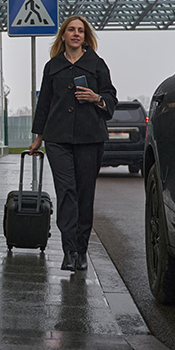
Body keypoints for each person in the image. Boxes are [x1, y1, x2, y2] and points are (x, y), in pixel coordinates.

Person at [27, 15, 117, 272]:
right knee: (66, 192)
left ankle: (81, 250)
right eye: (71, 30)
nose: (76, 34)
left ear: (85, 36)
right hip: (58, 140)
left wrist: (96, 97)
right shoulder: (52, 66)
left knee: (84, 194)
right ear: (64, 36)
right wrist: (38, 139)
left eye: (80, 30)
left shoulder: (97, 65)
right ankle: (69, 252)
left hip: (90, 139)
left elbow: (111, 98)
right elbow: (43, 104)